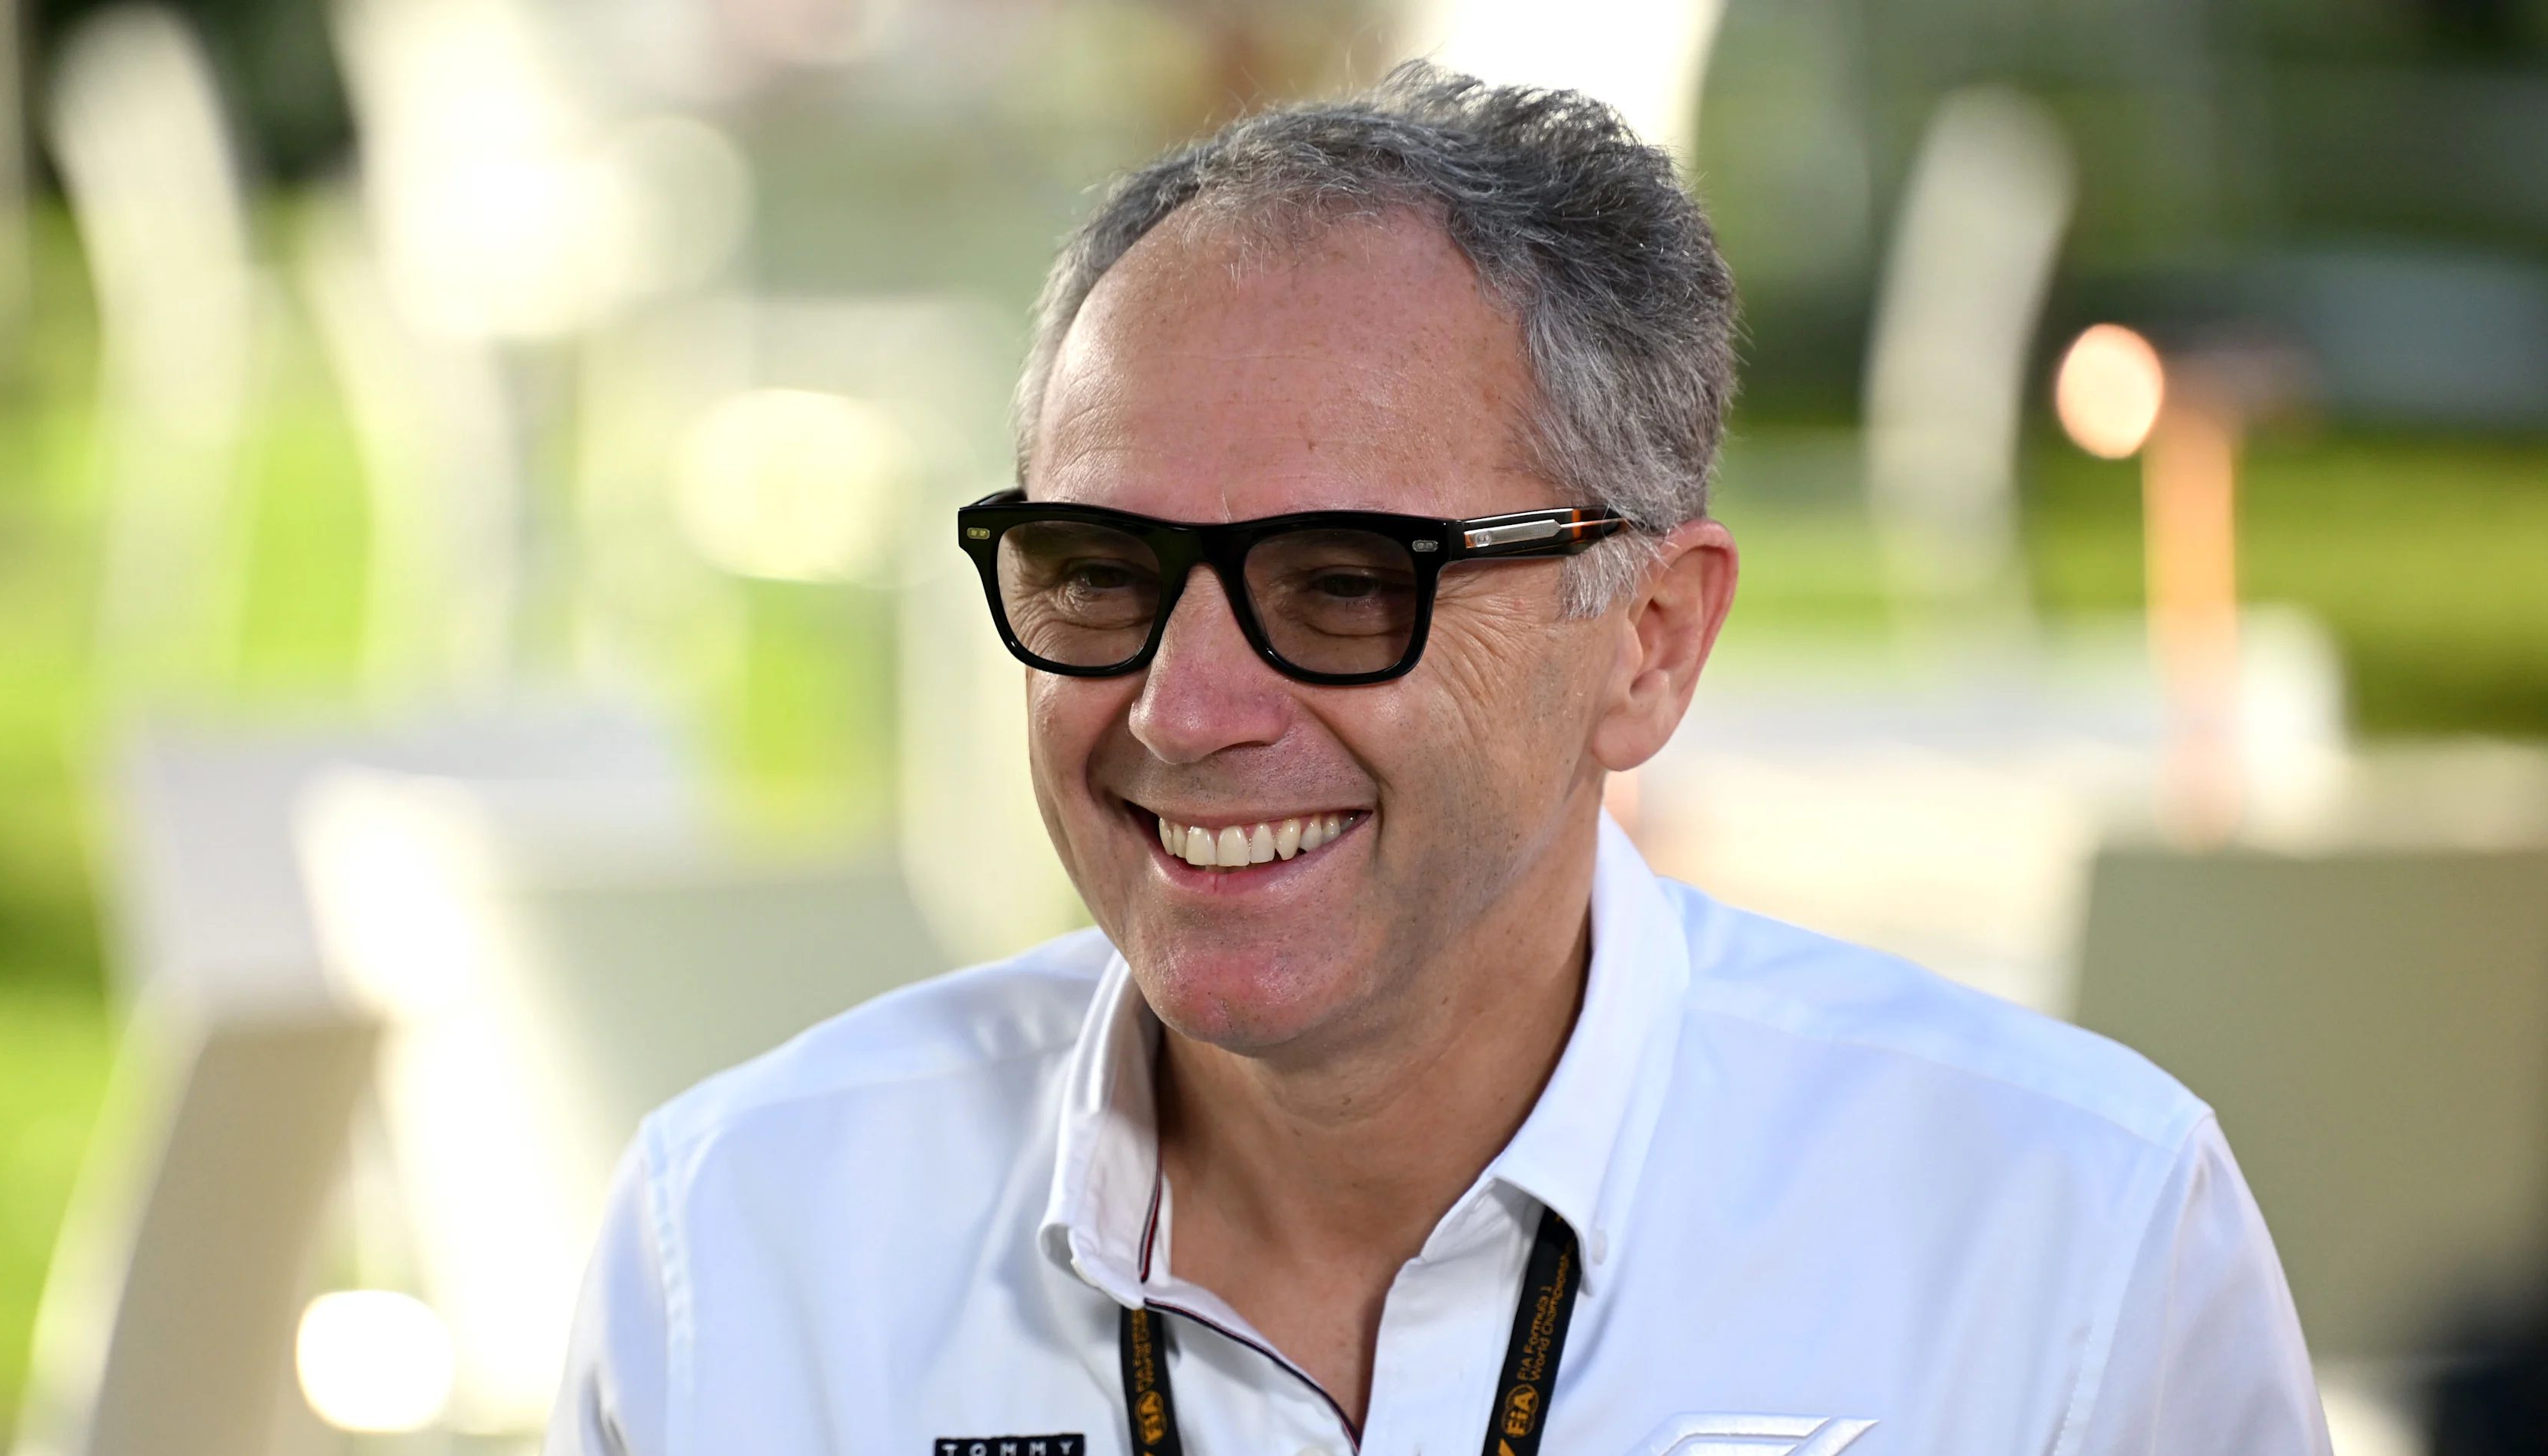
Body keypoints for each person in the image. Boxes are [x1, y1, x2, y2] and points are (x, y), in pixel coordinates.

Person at [550, 66, 2329, 1456]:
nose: (1184, 706)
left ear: (1650, 645)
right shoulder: (747, 1251)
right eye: (1098, 572)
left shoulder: (2066, 1239)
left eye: (1342, 587)